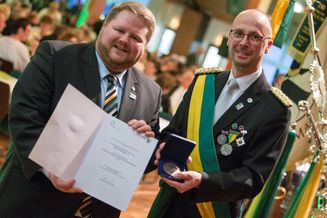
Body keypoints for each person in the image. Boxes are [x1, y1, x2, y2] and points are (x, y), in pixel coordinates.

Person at [0, 2, 161, 218]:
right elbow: (23, 115)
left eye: (136, 38)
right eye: (120, 30)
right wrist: (49, 169)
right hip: (35, 200)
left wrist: (145, 144)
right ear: (103, 28)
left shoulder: (151, 92)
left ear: (145, 46)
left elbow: (143, 160)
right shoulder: (56, 56)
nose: (125, 40)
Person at [149, 9, 292, 218]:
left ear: (268, 46)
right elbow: (173, 131)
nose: (243, 42)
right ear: (229, 37)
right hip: (169, 204)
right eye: (238, 33)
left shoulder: (275, 109)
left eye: (254, 37)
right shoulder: (202, 82)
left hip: (213, 211)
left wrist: (202, 181)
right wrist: (163, 146)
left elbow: (253, 178)